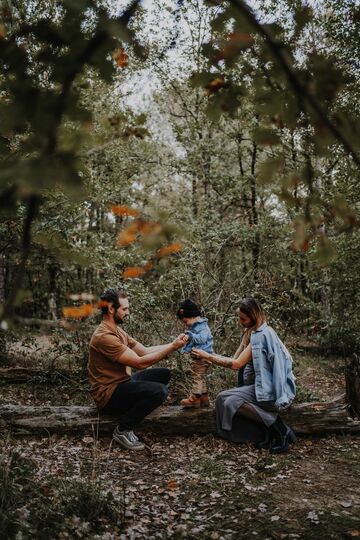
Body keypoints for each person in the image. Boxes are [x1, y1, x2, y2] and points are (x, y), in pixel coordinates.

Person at [192, 298, 296, 454]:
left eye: (243, 318)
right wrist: (209, 357)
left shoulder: (261, 336)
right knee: (221, 398)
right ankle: (264, 433)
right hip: (257, 387)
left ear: (253, 316)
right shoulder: (252, 332)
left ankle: (280, 430)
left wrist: (208, 355)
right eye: (239, 318)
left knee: (231, 402)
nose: (240, 322)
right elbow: (234, 359)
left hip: (269, 392)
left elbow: (236, 364)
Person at [88, 288, 188, 450]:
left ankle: (140, 405)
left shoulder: (117, 331)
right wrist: (171, 347)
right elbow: (140, 363)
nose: (128, 312)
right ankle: (123, 429)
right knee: (159, 391)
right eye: (124, 309)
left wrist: (174, 344)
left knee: (164, 374)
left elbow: (145, 350)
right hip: (108, 395)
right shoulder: (104, 337)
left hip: (122, 382)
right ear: (111, 309)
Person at [177, 299, 214, 408]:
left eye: (185, 321)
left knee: (196, 377)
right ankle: (204, 398)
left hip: (202, 357)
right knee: (200, 377)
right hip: (199, 356)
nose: (186, 325)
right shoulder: (196, 326)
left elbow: (202, 339)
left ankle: (195, 398)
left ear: (193, 316)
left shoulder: (202, 326)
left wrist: (191, 336)